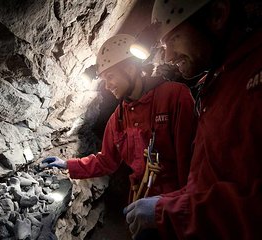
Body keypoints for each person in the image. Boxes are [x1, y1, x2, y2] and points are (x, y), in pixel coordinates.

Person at [124, 0, 262, 239]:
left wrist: (174, 212)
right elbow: (210, 179)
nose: (167, 56)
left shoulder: (253, 79)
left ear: (217, 15)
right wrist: (171, 203)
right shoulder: (216, 84)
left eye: (174, 38)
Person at [42, 34, 196, 215]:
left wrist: (179, 208)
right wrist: (68, 164)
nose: (107, 86)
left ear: (130, 69)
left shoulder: (174, 97)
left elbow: (192, 162)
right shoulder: (118, 119)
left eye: (110, 77)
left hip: (175, 206)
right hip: (140, 203)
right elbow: (106, 161)